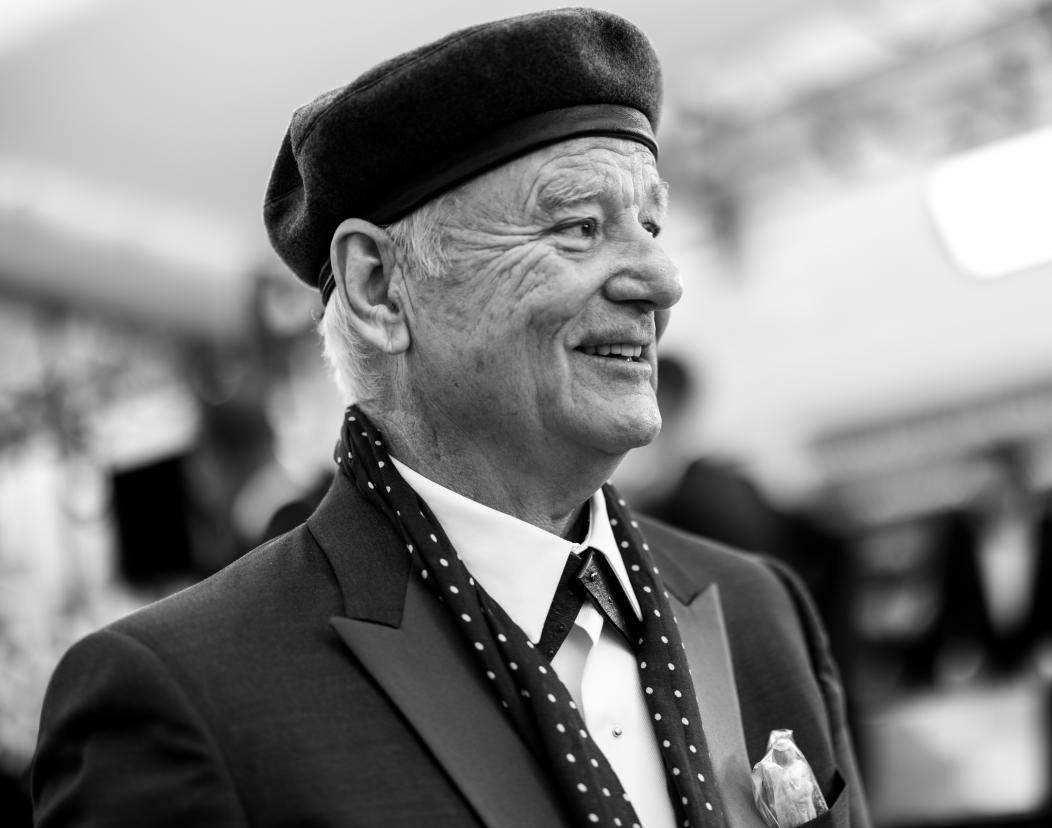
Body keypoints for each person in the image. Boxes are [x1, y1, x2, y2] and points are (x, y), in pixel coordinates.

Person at [30, 9, 868, 828]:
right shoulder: (188, 696)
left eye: (650, 224)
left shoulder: (761, 611)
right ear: (378, 288)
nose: (661, 277)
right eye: (579, 227)